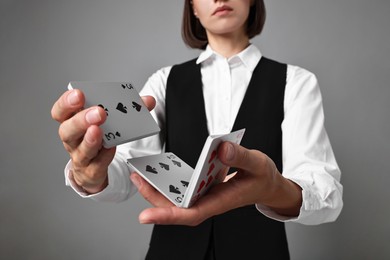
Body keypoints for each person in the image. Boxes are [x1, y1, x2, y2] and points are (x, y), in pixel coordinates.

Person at [51, 0, 343, 259]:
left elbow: (326, 195)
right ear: (192, 6)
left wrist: (275, 188)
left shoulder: (297, 82)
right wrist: (90, 175)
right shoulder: (164, 81)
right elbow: (126, 168)